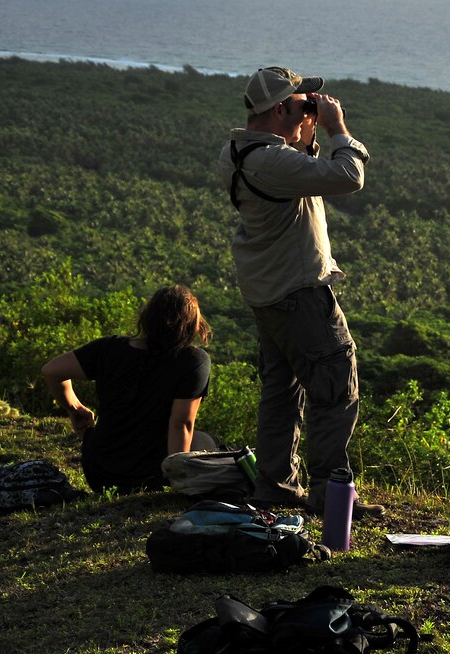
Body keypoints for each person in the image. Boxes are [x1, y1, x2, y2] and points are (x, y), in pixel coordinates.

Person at [217, 66, 382, 518]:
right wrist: (335, 130)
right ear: (277, 110)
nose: (308, 107)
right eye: (299, 103)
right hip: (300, 291)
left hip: (268, 291)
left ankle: (274, 486)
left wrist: (303, 133)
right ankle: (331, 495)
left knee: (282, 391)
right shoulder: (271, 161)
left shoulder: (239, 150)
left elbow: (299, 171)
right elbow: (347, 176)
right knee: (335, 387)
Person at [41, 285, 212, 494]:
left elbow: (52, 371)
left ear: (147, 317)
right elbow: (181, 424)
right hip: (150, 478)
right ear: (191, 326)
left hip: (100, 473)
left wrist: (75, 408)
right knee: (206, 442)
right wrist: (175, 483)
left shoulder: (109, 348)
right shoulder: (193, 361)